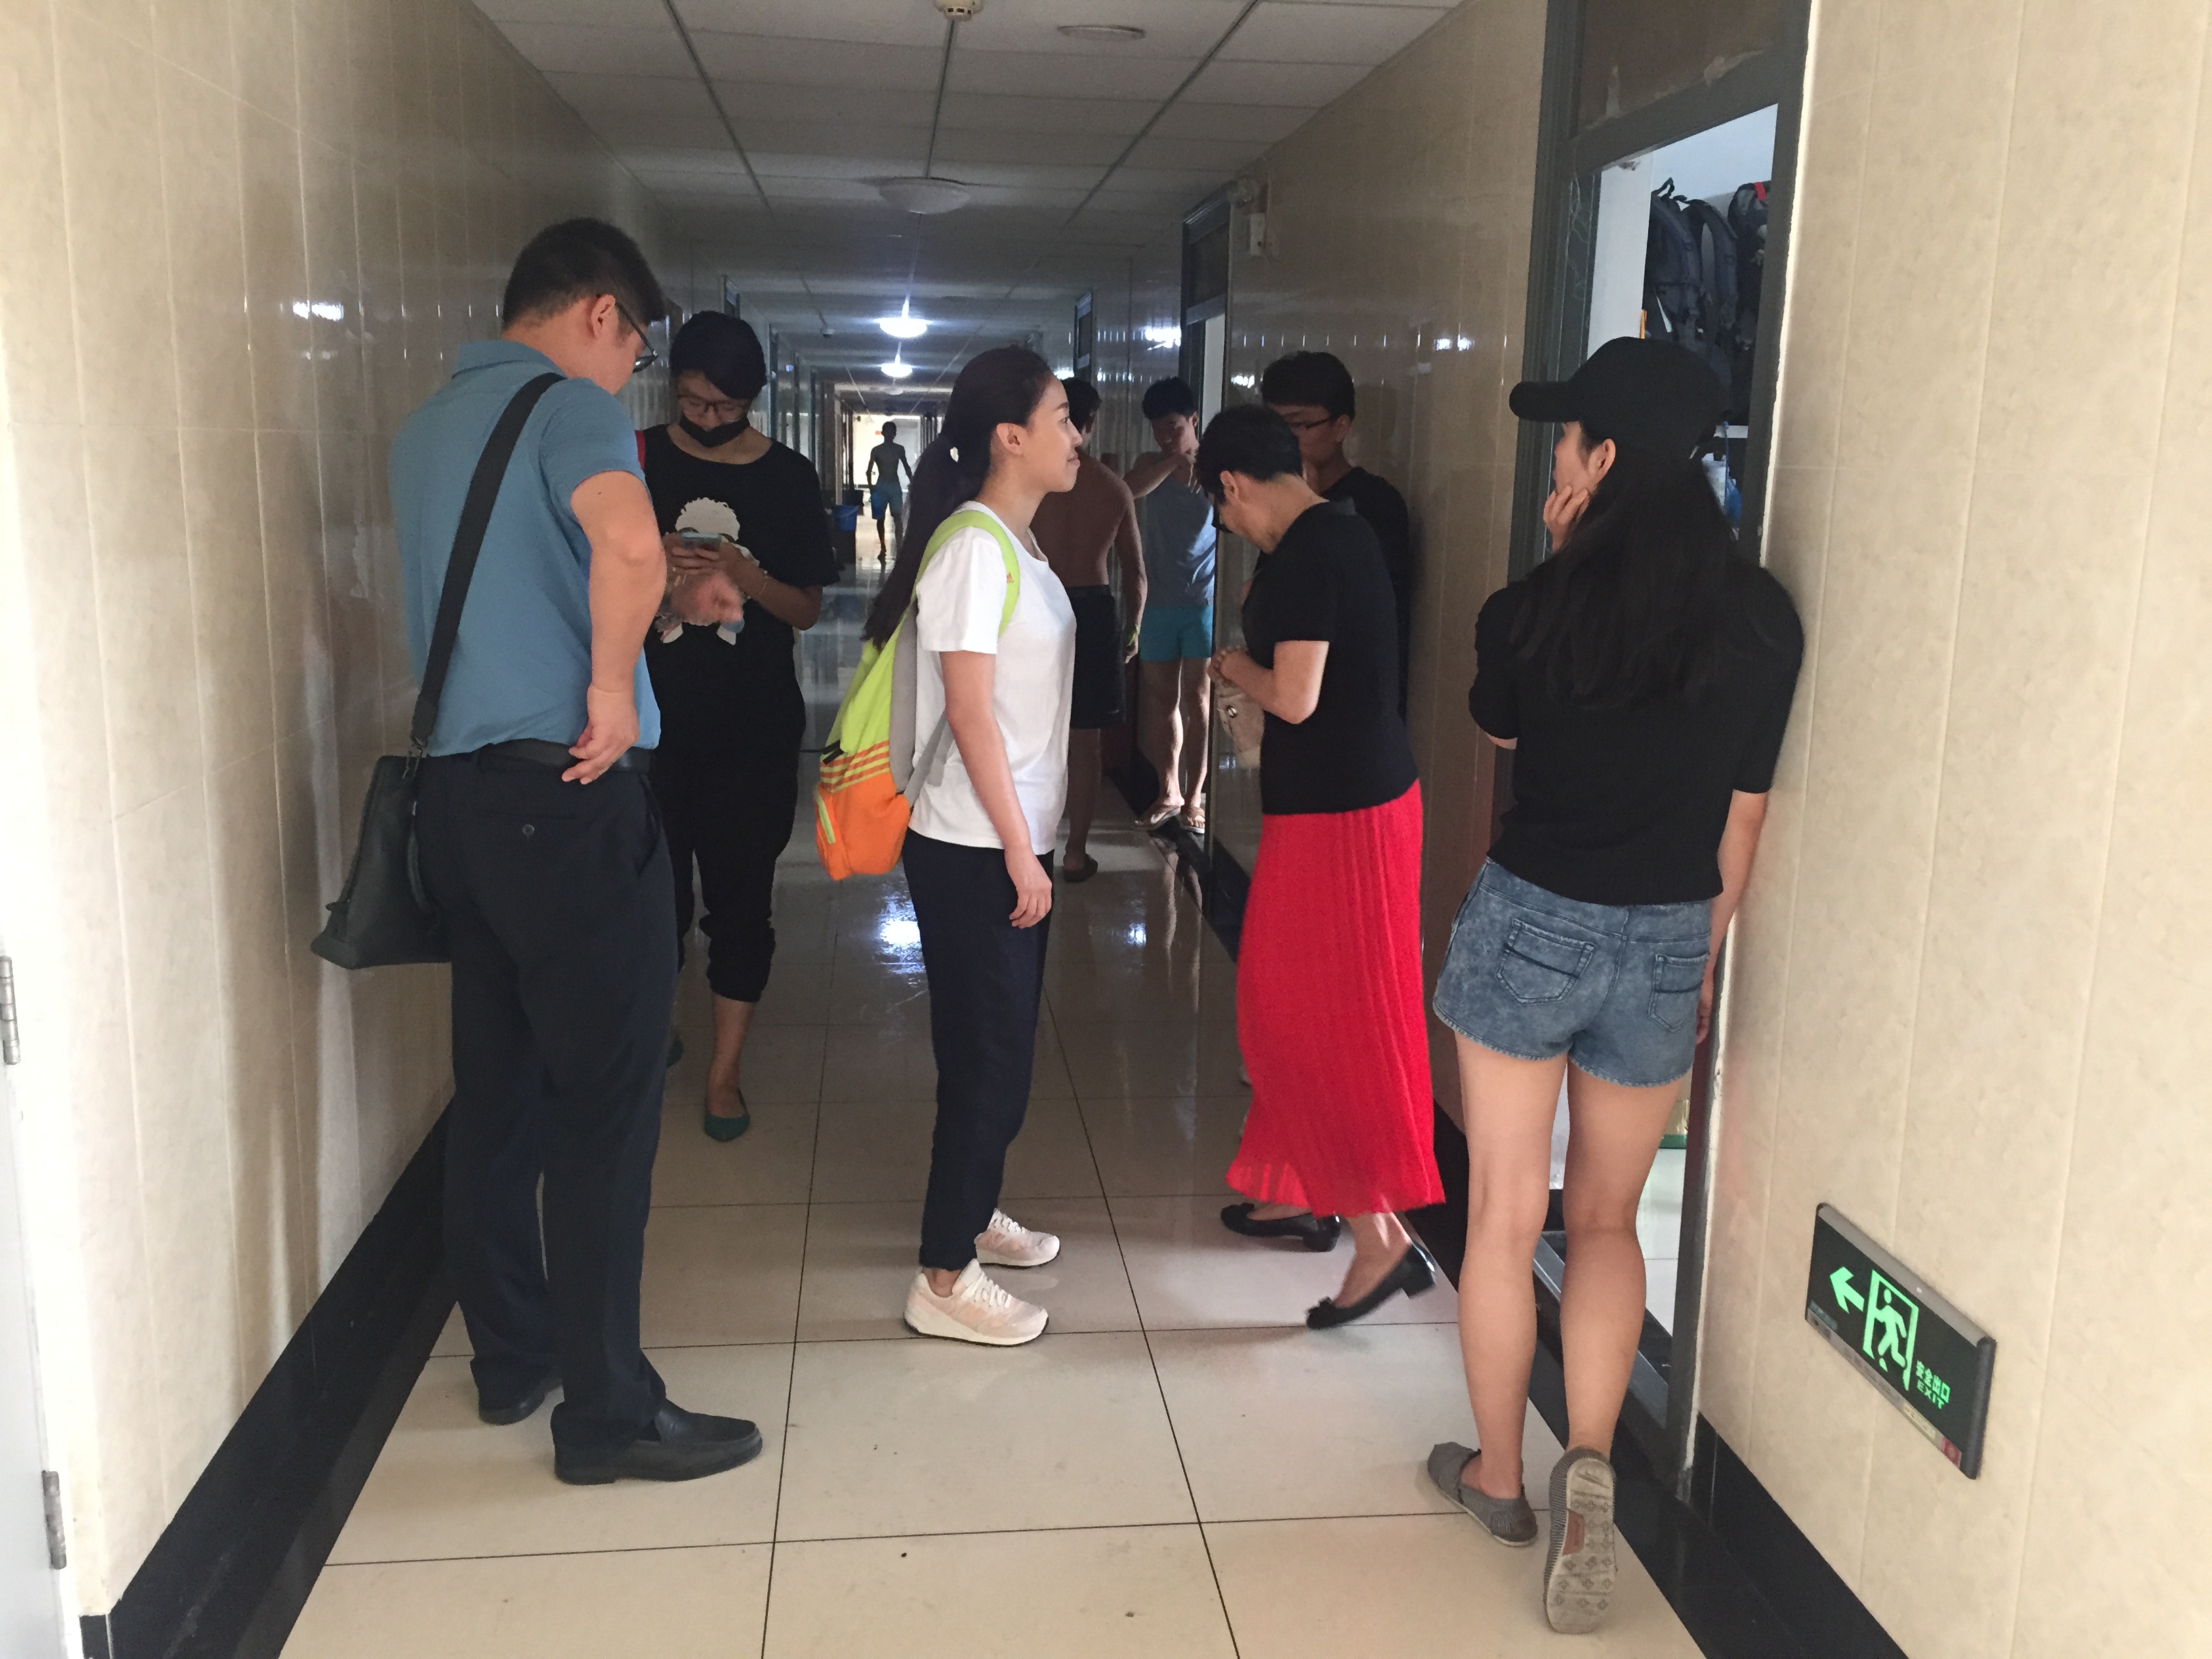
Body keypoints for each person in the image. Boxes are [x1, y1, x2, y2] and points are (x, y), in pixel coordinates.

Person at [1425, 337, 1801, 1635]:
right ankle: (1589, 1461)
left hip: (1531, 918)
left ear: (1600, 460)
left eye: (1566, 442)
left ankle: (1496, 1474)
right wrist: (1695, 956)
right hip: (1662, 934)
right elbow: (1739, 821)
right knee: (1602, 1219)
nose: (1555, 461)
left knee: (1497, 1217)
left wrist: (1556, 565)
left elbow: (1500, 727)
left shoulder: (1531, 609)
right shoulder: (1761, 620)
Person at [392, 218, 762, 1485]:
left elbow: (523, 592)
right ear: (601, 314)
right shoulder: (572, 408)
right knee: (604, 1112)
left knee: (495, 1095)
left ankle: (515, 1356)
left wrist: (659, 610)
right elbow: (625, 540)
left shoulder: (428, 426)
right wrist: (613, 687)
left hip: (458, 806)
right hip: (568, 802)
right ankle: (607, 1418)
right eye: (636, 349)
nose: (631, 376)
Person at [1200, 404, 1443, 1327]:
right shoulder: (1336, 535)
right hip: (1348, 804)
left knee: (1300, 1016)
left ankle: (1381, 1236)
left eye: (1222, 509)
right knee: (1305, 1008)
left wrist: (1233, 666)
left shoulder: (1308, 554)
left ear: (1233, 486)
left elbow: (1296, 697)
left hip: (1344, 819)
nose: (1230, 525)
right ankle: (1306, 1189)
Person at [860, 346, 1080, 1347]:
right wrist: (1020, 853)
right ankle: (944, 1276)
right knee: (990, 1061)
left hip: (1010, 839)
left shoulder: (1018, 543)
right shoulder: (973, 550)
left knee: (997, 1052)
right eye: (1063, 418)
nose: (1077, 436)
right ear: (1010, 436)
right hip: (972, 844)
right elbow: (970, 712)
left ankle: (976, 1208)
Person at [642, 312, 839, 1142]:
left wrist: (744, 574)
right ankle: (657, 1022)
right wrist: (656, 565)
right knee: (650, 897)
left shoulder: (788, 478)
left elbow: (807, 608)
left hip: (752, 727)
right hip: (648, 724)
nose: (706, 418)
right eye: (692, 401)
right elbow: (587, 579)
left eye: (724, 407)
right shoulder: (637, 460)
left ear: (752, 400)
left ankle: (725, 1074)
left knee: (740, 902)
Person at [1030, 375, 1145, 883]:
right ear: (1092, 422)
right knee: (1085, 742)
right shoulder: (1112, 488)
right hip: (1093, 613)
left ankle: (1026, 845)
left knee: (1027, 731)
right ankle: (1075, 852)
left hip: (1038, 604)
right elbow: (1136, 575)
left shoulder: (1033, 480)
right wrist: (1132, 631)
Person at [1262, 351, 1414, 716]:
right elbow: (1262, 594)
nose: (1284, 440)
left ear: (1341, 428)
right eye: (1274, 426)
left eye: (1298, 425)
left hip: (1352, 706)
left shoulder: (1375, 503)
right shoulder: (1278, 498)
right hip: (1287, 698)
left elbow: (1351, 612)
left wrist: (1309, 506)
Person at [1124, 377, 1216, 832]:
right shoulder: (1151, 463)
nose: (1165, 437)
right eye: (1158, 430)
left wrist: (1200, 467)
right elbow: (1128, 491)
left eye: (1174, 428)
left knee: (1199, 700)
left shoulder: (1216, 467)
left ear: (1193, 420)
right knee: (1162, 701)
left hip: (1203, 602)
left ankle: (1195, 798)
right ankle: (1169, 790)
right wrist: (1174, 459)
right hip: (1158, 603)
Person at [866, 422, 913, 560]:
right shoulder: (876, 450)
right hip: (881, 486)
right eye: (887, 431)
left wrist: (913, 482)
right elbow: (869, 470)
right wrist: (871, 487)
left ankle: (899, 548)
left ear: (895, 434)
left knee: (897, 517)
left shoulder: (899, 449)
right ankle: (883, 547)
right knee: (880, 518)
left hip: (894, 486)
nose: (889, 434)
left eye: (891, 431)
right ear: (883, 433)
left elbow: (906, 467)